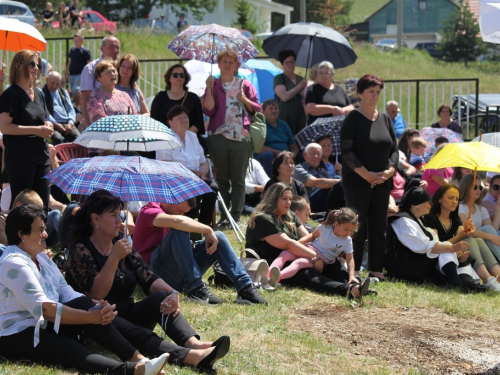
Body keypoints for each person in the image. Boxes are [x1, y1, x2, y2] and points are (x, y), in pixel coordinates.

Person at [65, 190, 231, 371]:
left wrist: (172, 294)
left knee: (161, 297)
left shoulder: (121, 244)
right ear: (95, 219)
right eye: (112, 215)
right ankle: (191, 357)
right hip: (103, 321)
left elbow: (148, 276)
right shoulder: (81, 249)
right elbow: (96, 293)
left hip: (129, 314)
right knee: (140, 334)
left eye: (119, 214)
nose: (119, 221)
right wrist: (114, 258)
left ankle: (194, 344)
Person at [0, 204, 170, 375]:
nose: (46, 234)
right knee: (71, 348)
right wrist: (89, 317)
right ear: (21, 234)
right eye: (40, 229)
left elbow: (66, 292)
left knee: (86, 305)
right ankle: (132, 371)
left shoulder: (41, 258)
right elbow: (44, 309)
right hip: (16, 333)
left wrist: (95, 306)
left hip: (43, 325)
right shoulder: (14, 263)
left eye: (45, 229)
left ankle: (138, 359)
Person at [133, 195, 268, 306]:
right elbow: (176, 221)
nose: (183, 214)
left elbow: (175, 226)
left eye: (185, 212)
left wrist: (186, 245)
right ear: (171, 199)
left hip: (176, 274)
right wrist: (207, 229)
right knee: (180, 228)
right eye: (181, 210)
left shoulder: (171, 214)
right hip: (154, 276)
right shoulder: (148, 211)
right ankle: (195, 289)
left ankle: (245, 288)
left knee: (219, 236)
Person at [246, 183, 371, 298]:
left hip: (300, 253)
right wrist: (316, 257)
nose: (288, 202)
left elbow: (306, 236)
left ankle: (355, 283)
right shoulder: (263, 219)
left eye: (290, 199)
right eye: (284, 198)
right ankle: (347, 290)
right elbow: (288, 244)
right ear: (273, 198)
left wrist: (322, 252)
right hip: (276, 262)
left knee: (333, 263)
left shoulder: (290, 215)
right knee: (307, 273)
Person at [340, 74, 399, 281]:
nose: (375, 96)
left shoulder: (385, 118)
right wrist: (366, 175)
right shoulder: (352, 119)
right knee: (357, 226)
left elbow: (394, 149)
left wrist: (390, 170)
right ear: (360, 93)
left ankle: (375, 268)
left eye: (378, 92)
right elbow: (346, 152)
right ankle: (353, 269)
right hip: (358, 181)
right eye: (370, 91)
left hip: (382, 181)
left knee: (378, 226)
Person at [203, 50, 261, 226]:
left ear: (236, 65)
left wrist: (244, 100)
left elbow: (256, 108)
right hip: (218, 136)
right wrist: (210, 89)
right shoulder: (214, 83)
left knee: (238, 179)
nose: (227, 64)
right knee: (222, 179)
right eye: (224, 61)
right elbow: (209, 110)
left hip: (241, 137)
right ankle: (223, 215)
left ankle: (235, 215)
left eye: (231, 62)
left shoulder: (245, 84)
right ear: (219, 64)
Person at [0, 50, 54, 211]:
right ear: (19, 65)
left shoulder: (38, 93)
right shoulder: (11, 94)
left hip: (41, 155)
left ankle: (40, 236)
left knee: (43, 204)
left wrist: (47, 125)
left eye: (38, 64)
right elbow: (4, 127)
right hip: (20, 157)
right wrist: (36, 130)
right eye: (32, 64)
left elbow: (42, 118)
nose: (36, 68)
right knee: (23, 205)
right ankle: (16, 236)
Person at [422, 184, 500, 291]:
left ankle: (496, 276)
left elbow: (462, 240)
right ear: (440, 199)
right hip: (439, 260)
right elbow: (436, 247)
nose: (454, 201)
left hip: (454, 256)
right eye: (450, 198)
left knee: (477, 240)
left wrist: (467, 233)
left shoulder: (455, 218)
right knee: (469, 239)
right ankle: (487, 279)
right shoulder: (431, 218)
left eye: (457, 199)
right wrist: (461, 237)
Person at [385, 187, 469, 284]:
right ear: (416, 204)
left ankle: (465, 281)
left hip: (418, 263)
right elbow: (424, 246)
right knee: (447, 248)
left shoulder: (418, 220)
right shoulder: (403, 221)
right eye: (427, 202)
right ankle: (457, 283)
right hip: (405, 267)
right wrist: (452, 248)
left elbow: (435, 243)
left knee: (447, 247)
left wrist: (455, 251)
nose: (430, 205)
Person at [268, 208, 361, 289]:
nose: (349, 233)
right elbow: (312, 236)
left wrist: (351, 275)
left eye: (352, 230)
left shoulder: (347, 241)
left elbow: (350, 259)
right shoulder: (325, 228)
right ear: (336, 224)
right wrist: (298, 244)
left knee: (299, 263)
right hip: (309, 249)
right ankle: (268, 275)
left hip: (318, 259)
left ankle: (277, 278)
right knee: (285, 254)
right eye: (346, 229)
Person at [156, 105, 216, 227]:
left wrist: (201, 173)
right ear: (170, 122)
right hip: (175, 179)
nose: (184, 120)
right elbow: (166, 165)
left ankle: (204, 224)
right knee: (192, 189)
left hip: (196, 178)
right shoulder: (165, 138)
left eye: (186, 117)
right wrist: (191, 173)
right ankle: (189, 224)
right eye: (179, 118)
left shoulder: (192, 136)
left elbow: (203, 163)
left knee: (212, 188)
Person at [150, 64, 204, 139]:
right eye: (175, 75)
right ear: (169, 78)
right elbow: (154, 120)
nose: (179, 77)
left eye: (182, 75)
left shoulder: (193, 98)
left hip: (189, 139)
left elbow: (199, 122)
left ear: (185, 78)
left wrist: (185, 136)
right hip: (165, 139)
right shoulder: (160, 97)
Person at [80, 35, 121, 129]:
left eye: (117, 47)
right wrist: (88, 125)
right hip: (99, 122)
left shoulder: (123, 68)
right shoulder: (90, 68)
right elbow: (85, 98)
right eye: (111, 47)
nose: (115, 50)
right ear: (102, 49)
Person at [458, 174, 500, 263]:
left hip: (483, 241)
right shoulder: (460, 206)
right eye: (474, 187)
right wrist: (492, 237)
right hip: (468, 241)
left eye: (480, 188)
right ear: (466, 187)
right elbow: (468, 230)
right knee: (487, 230)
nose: (478, 190)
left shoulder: (481, 208)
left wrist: (498, 209)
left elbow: (493, 230)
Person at [256, 98, 299, 177]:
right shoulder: (259, 125)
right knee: (268, 155)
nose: (274, 111)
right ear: (263, 111)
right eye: (271, 108)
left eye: (276, 108)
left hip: (286, 156)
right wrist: (278, 153)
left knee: (304, 154)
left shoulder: (284, 125)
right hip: (269, 157)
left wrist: (292, 155)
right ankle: (270, 184)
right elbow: (259, 148)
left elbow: (294, 146)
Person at [293, 143, 341, 213]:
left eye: (318, 154)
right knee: (329, 186)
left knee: (337, 178)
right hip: (308, 202)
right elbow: (316, 183)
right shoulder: (298, 169)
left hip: (324, 202)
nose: (316, 156)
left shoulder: (323, 171)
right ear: (305, 155)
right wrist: (344, 181)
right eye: (313, 153)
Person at [87, 59, 138, 125]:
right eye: (108, 72)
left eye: (114, 71)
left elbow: (135, 116)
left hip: (128, 133)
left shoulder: (125, 95)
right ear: (99, 78)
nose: (113, 74)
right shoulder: (95, 97)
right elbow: (100, 121)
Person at [305, 61, 354, 126]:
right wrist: (332, 109)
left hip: (339, 127)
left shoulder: (339, 89)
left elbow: (351, 107)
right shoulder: (313, 89)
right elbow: (310, 108)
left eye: (326, 73)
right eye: (321, 73)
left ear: (332, 74)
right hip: (320, 128)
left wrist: (342, 110)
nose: (323, 76)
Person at [273, 50, 307, 135]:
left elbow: (306, 96)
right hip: (285, 117)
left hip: (300, 117)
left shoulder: (301, 79)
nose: (290, 65)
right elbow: (284, 97)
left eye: (292, 62)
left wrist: (304, 92)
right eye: (287, 62)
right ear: (282, 64)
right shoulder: (279, 78)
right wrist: (299, 87)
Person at [42, 71, 80, 144]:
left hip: (67, 123)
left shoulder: (63, 92)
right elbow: (44, 111)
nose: (54, 86)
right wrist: (55, 124)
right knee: (58, 139)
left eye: (57, 84)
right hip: (52, 123)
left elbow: (71, 109)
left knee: (79, 139)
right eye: (52, 83)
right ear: (47, 80)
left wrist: (71, 122)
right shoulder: (42, 92)